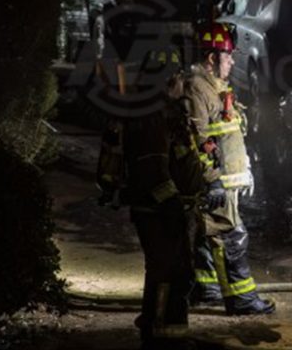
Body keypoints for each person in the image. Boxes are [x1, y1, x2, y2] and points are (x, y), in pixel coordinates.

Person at [96, 46, 210, 348]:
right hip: (158, 211)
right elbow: (152, 169)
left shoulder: (162, 111)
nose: (182, 85)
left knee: (174, 272)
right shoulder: (151, 116)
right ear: (165, 80)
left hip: (166, 209)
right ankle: (159, 337)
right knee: (167, 273)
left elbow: (178, 156)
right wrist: (172, 204)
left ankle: (167, 334)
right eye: (177, 79)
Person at [184, 23, 275, 315]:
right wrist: (213, 181)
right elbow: (196, 139)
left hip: (224, 181)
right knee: (230, 236)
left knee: (205, 234)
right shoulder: (197, 89)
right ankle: (241, 300)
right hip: (215, 182)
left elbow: (224, 133)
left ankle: (206, 288)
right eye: (228, 56)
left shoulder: (214, 87)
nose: (233, 61)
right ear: (212, 59)